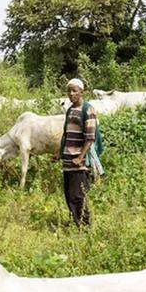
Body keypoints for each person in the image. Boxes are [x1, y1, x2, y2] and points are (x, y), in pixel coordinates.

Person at [58, 78, 96, 226]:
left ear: (82, 92)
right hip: (68, 159)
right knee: (69, 194)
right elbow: (66, 135)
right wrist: (59, 154)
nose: (71, 93)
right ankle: (75, 222)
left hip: (78, 161)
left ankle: (84, 225)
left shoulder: (88, 109)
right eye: (69, 91)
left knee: (78, 195)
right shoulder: (70, 110)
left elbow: (90, 137)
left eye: (74, 90)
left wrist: (80, 156)